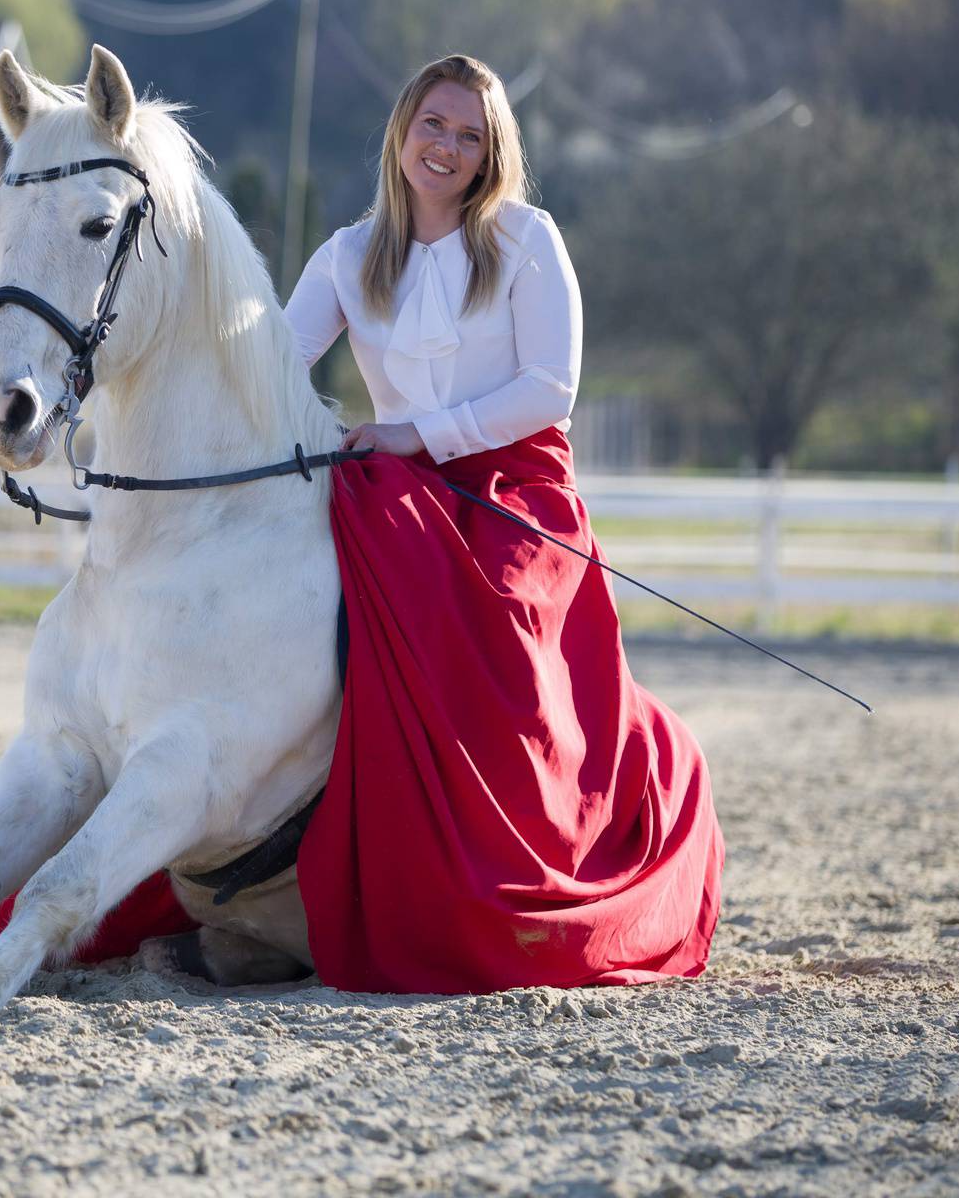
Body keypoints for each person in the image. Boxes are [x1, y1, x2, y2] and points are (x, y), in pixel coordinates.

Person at [277, 54, 725, 992]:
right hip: (396, 476)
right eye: (433, 125)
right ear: (403, 130)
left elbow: (549, 391)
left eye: (470, 136)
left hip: (514, 480)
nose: (447, 147)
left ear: (491, 156)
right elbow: (275, 366)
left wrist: (415, 433)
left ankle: (514, 852)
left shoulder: (526, 240)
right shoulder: (346, 257)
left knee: (506, 619)